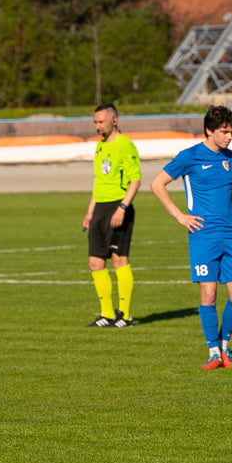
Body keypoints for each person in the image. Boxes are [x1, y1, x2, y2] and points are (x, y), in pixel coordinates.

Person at [150, 106, 232, 370]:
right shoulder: (189, 156)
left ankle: (225, 344)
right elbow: (157, 184)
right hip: (203, 236)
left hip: (230, 234)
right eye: (224, 132)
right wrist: (180, 216)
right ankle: (213, 352)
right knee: (209, 293)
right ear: (209, 130)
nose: (229, 137)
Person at [83, 103, 141, 328]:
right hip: (99, 209)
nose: (97, 126)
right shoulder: (99, 147)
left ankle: (124, 316)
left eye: (101, 121)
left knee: (119, 259)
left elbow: (135, 179)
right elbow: (98, 181)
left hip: (119, 206)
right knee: (95, 262)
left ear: (114, 120)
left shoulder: (125, 146)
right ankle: (106, 315)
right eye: (95, 122)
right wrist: (90, 211)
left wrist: (123, 207)